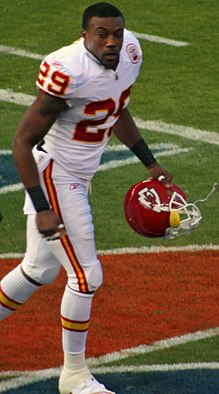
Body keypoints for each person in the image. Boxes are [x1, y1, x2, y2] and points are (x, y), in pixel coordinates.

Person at [0, 3, 172, 393]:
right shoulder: (68, 71)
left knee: (38, 271)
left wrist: (150, 162)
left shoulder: (130, 53)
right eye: (101, 34)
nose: (111, 41)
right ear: (84, 34)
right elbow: (22, 143)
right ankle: (74, 376)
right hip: (57, 175)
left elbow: (116, 112)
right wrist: (42, 208)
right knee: (86, 276)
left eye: (116, 33)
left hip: (78, 175)